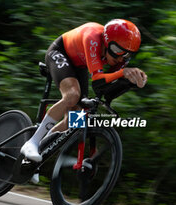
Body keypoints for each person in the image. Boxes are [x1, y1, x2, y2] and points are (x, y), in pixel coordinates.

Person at [20, 19, 147, 183]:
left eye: (127, 54)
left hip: (79, 65)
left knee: (76, 119)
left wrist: (133, 82)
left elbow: (106, 90)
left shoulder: (119, 56)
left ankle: (41, 148)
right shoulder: (93, 37)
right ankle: (32, 142)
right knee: (72, 95)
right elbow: (99, 80)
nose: (121, 58)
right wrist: (123, 74)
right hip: (60, 52)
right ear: (107, 41)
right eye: (117, 50)